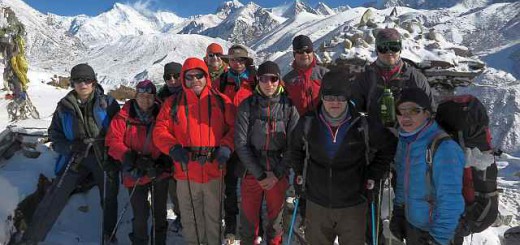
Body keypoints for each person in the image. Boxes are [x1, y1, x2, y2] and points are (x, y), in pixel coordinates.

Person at [288, 70, 396, 245]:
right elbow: (294, 148)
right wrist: (300, 171)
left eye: (340, 97)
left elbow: (388, 146)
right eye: (330, 97)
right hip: (317, 204)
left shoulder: (362, 124)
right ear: (322, 97)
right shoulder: (308, 123)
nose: (335, 103)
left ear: (348, 98)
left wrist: (373, 174)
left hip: (353, 205)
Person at [21, 63, 120, 244]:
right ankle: (31, 239)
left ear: (94, 82)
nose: (83, 84)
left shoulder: (108, 104)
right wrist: (70, 147)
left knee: (109, 197)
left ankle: (109, 236)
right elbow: (54, 135)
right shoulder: (64, 106)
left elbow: (121, 132)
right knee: (55, 195)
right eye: (78, 80)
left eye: (87, 80)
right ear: (72, 83)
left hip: (103, 157)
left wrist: (113, 152)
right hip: (75, 157)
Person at [153, 57, 235, 245]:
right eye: (189, 77)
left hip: (214, 169)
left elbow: (233, 128)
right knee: (191, 219)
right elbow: (160, 131)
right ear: (184, 79)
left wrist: (226, 146)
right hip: (186, 171)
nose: (194, 80)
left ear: (206, 76)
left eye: (199, 75)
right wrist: (172, 147)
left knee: (214, 217)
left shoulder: (221, 101)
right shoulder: (173, 104)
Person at [235, 61, 299, 244]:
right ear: (257, 80)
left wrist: (276, 174)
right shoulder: (247, 106)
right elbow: (240, 143)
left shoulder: (289, 107)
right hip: (251, 171)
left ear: (279, 80)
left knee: (275, 222)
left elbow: (293, 145)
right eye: (264, 79)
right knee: (248, 220)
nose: (269, 83)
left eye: (273, 79)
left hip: (278, 169)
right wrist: (261, 174)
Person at [390, 88, 464, 245]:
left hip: (439, 234)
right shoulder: (406, 141)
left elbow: (450, 200)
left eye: (414, 110)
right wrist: (399, 211)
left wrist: (438, 239)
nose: (406, 116)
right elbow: (403, 181)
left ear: (427, 113)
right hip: (414, 227)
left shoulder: (443, 147)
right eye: (401, 111)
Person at [105, 80, 172, 244]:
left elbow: (172, 137)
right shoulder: (124, 116)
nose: (145, 99)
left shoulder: (163, 114)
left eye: (149, 96)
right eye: (141, 95)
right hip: (135, 172)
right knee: (140, 215)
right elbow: (112, 142)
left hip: (158, 171)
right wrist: (131, 157)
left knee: (160, 214)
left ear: (155, 97)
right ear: (135, 96)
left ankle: (159, 241)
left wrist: (163, 162)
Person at [216, 44, 257, 239]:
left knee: (251, 185)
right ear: (228, 62)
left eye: (240, 60)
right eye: (233, 59)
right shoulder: (222, 81)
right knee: (230, 186)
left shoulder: (256, 80)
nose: (237, 63)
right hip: (230, 139)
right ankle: (231, 226)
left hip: (251, 140)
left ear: (246, 62)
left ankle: (255, 227)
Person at [156, 61, 183, 232]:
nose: (172, 80)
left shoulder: (189, 94)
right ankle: (180, 215)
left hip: (185, 147)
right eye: (168, 77)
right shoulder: (159, 99)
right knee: (173, 187)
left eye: (176, 76)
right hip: (166, 147)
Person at [283, 34, 329, 115]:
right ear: (294, 54)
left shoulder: (325, 74)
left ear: (312, 52)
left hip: (322, 123)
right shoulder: (287, 80)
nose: (305, 54)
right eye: (300, 51)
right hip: (298, 124)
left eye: (308, 50)